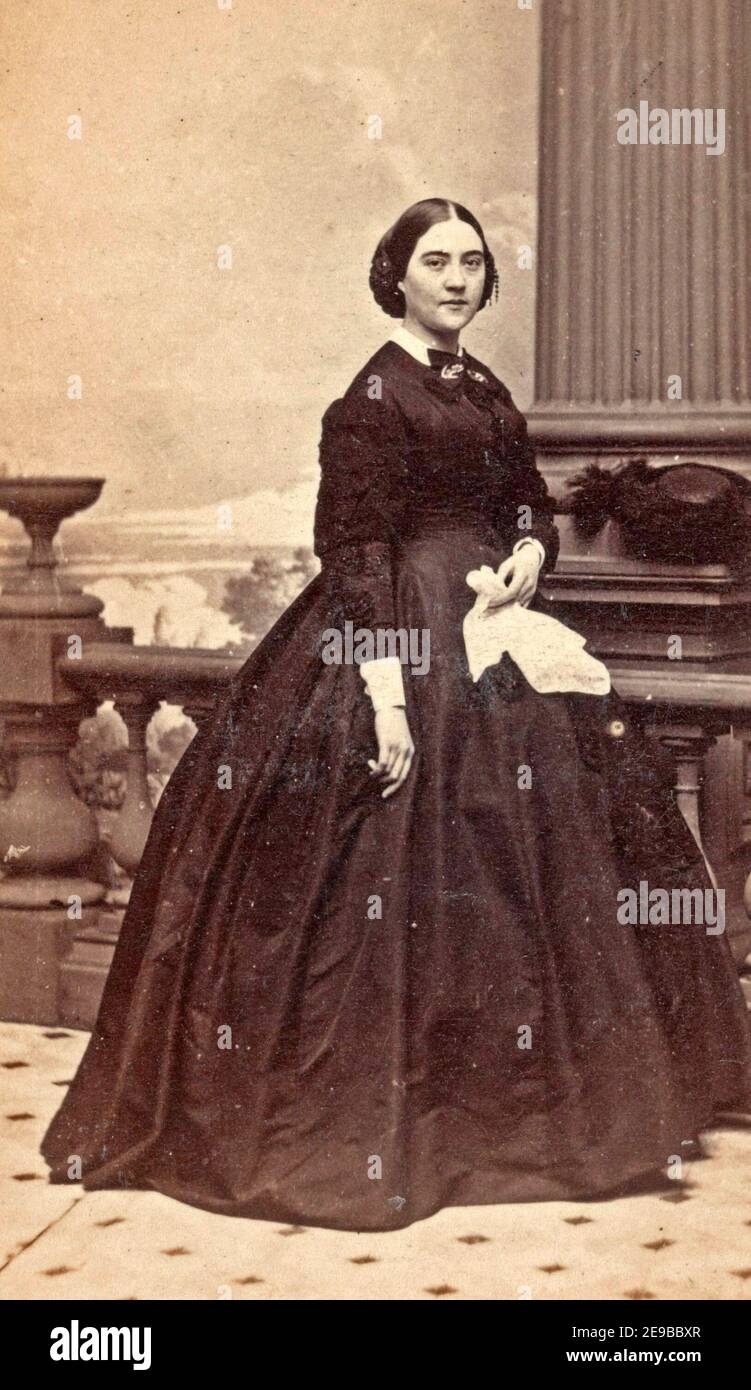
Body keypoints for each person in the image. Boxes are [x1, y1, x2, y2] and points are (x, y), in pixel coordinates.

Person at [41, 197, 751, 1231]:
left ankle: (534, 1109)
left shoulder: (482, 387)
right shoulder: (369, 401)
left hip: (492, 623)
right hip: (399, 635)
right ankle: (404, 1121)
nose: (457, 278)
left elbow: (524, 500)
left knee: (545, 857)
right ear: (398, 277)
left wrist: (527, 555)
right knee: (392, 872)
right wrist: (386, 696)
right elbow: (357, 559)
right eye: (435, 262)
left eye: (471, 261)